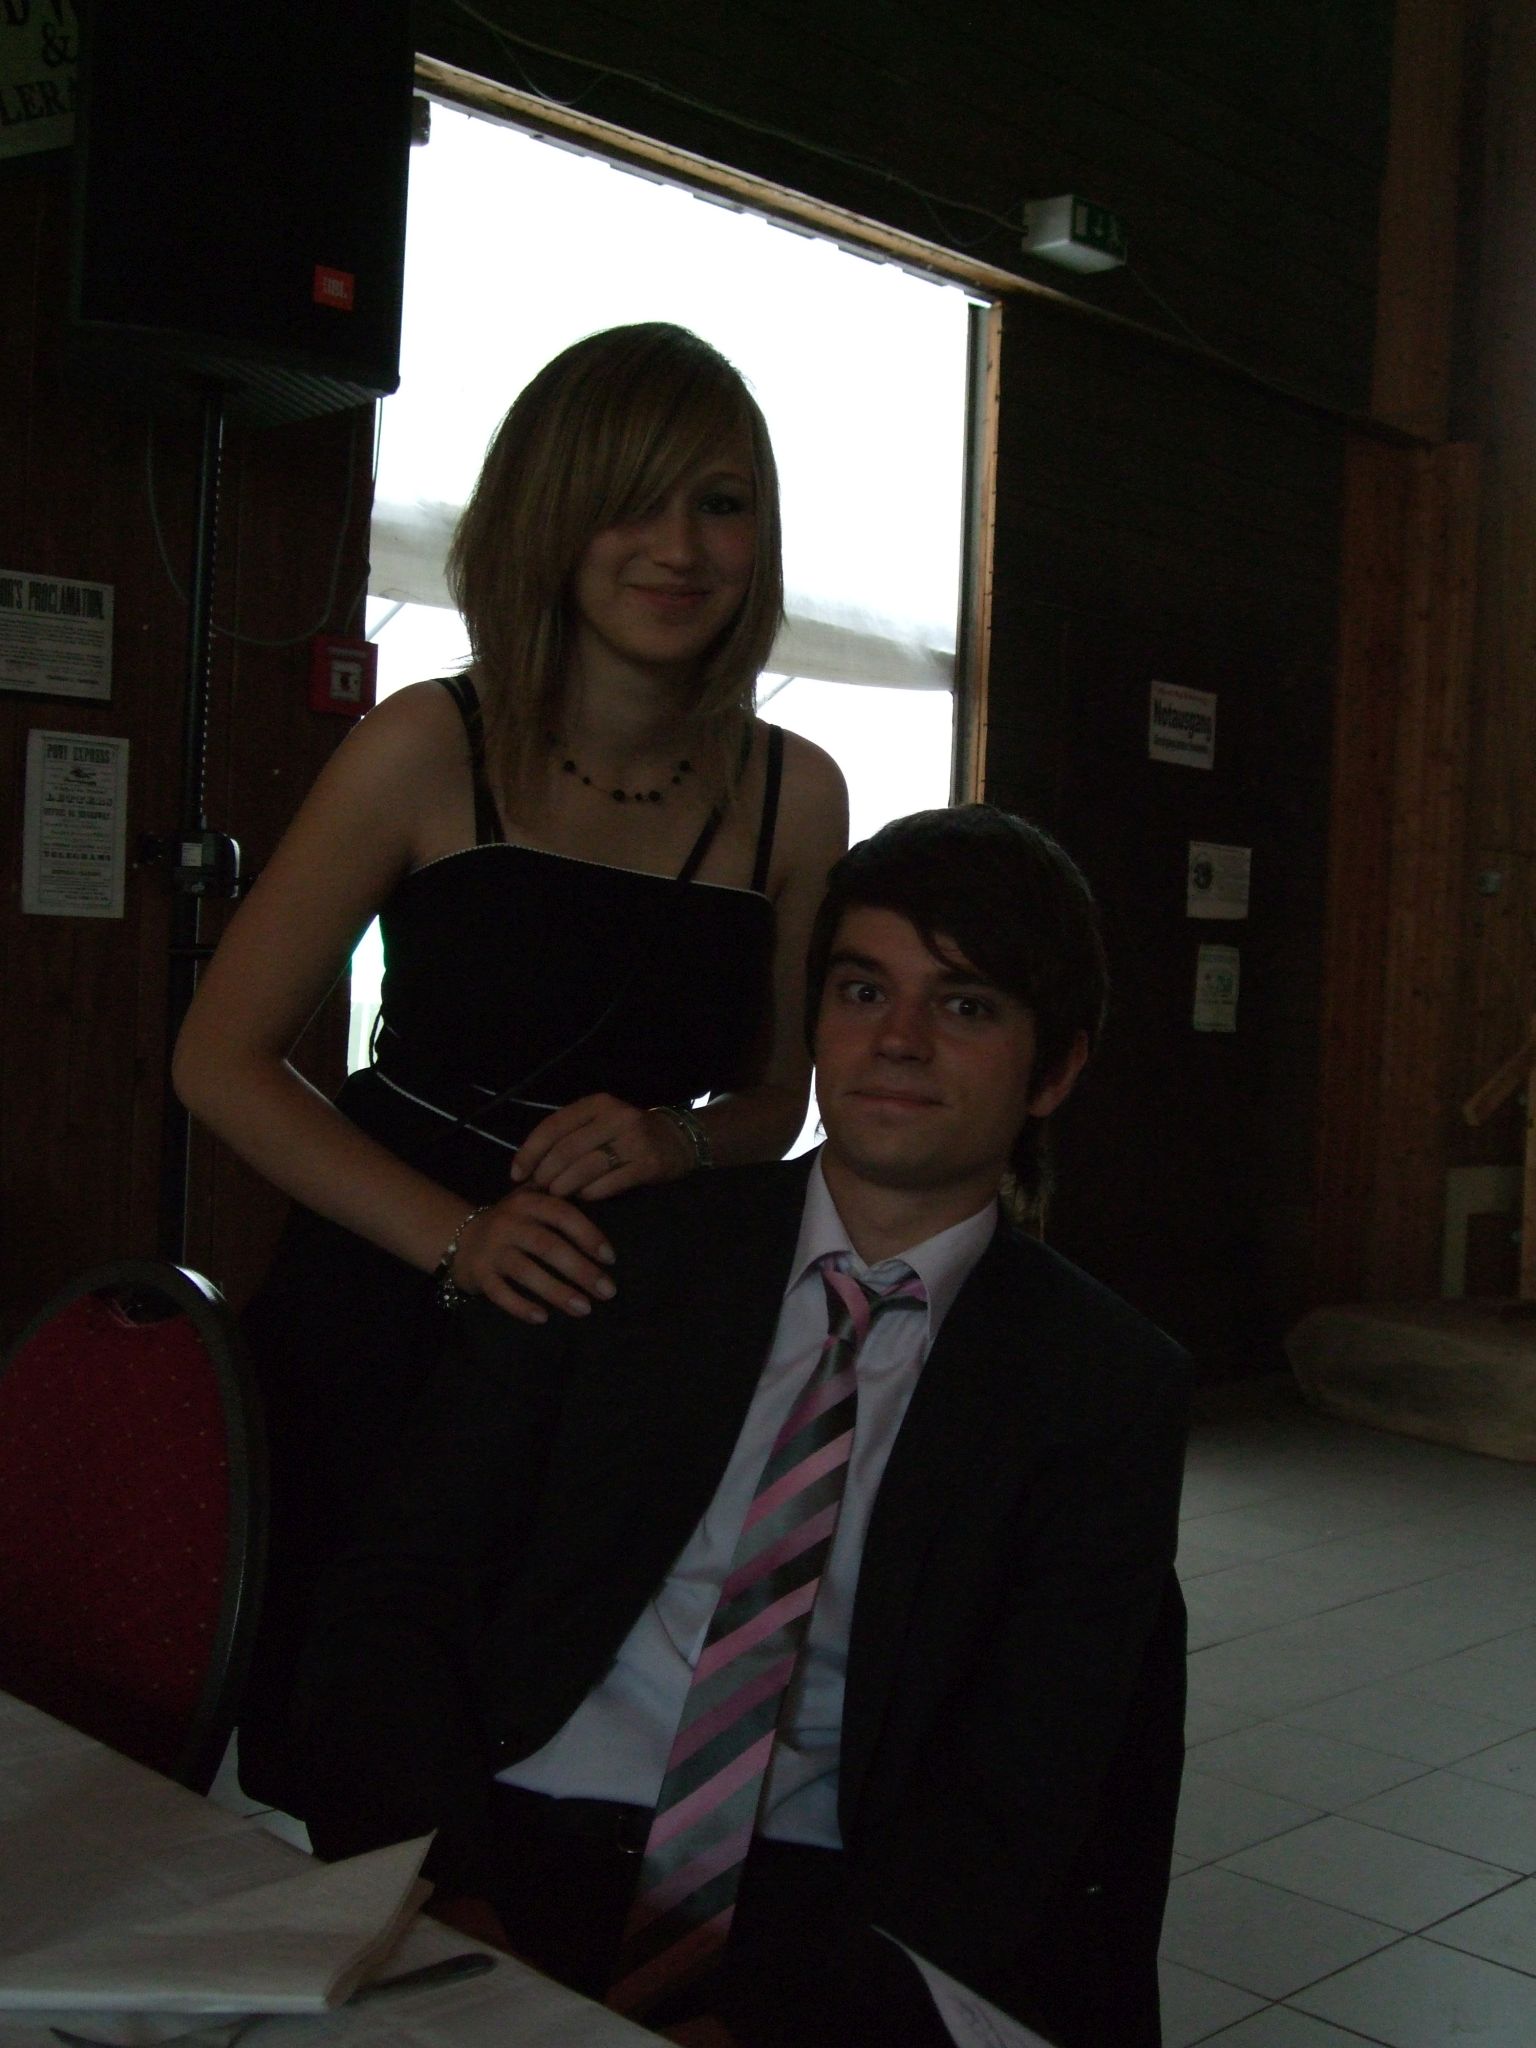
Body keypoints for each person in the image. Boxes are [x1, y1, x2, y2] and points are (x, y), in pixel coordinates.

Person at [294, 805, 1190, 2048]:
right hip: (514, 1829)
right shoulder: (614, 1258)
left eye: (966, 1004)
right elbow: (398, 1588)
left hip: (835, 1900)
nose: (898, 1039)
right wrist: (442, 1888)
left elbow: (1025, 1792)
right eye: (863, 989)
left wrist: (785, 2024)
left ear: (1056, 1069)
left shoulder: (1100, 1383)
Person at [172, 323, 848, 1806]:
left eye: (720, 504)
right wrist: (458, 1238)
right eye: (632, 501)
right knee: (356, 1746)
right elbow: (219, 1061)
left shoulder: (797, 792)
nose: (680, 547)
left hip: (617, 1317)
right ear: (552, 516)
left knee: (557, 1752)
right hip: (390, 1300)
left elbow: (774, 1099)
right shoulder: (428, 744)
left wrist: (679, 1141)